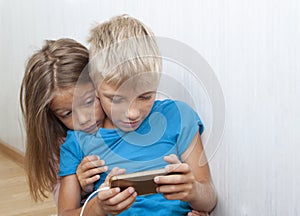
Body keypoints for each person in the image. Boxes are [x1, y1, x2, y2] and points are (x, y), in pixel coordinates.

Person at [58, 15, 217, 215]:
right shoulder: (78, 142)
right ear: (95, 89)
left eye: (145, 97)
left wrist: (193, 190)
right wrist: (97, 207)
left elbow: (209, 199)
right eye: (116, 99)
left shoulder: (179, 117)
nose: (132, 113)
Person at [19, 38, 107, 206]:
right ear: (52, 116)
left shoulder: (125, 118)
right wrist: (79, 187)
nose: (82, 119)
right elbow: (64, 205)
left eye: (89, 102)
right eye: (67, 113)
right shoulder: (59, 144)